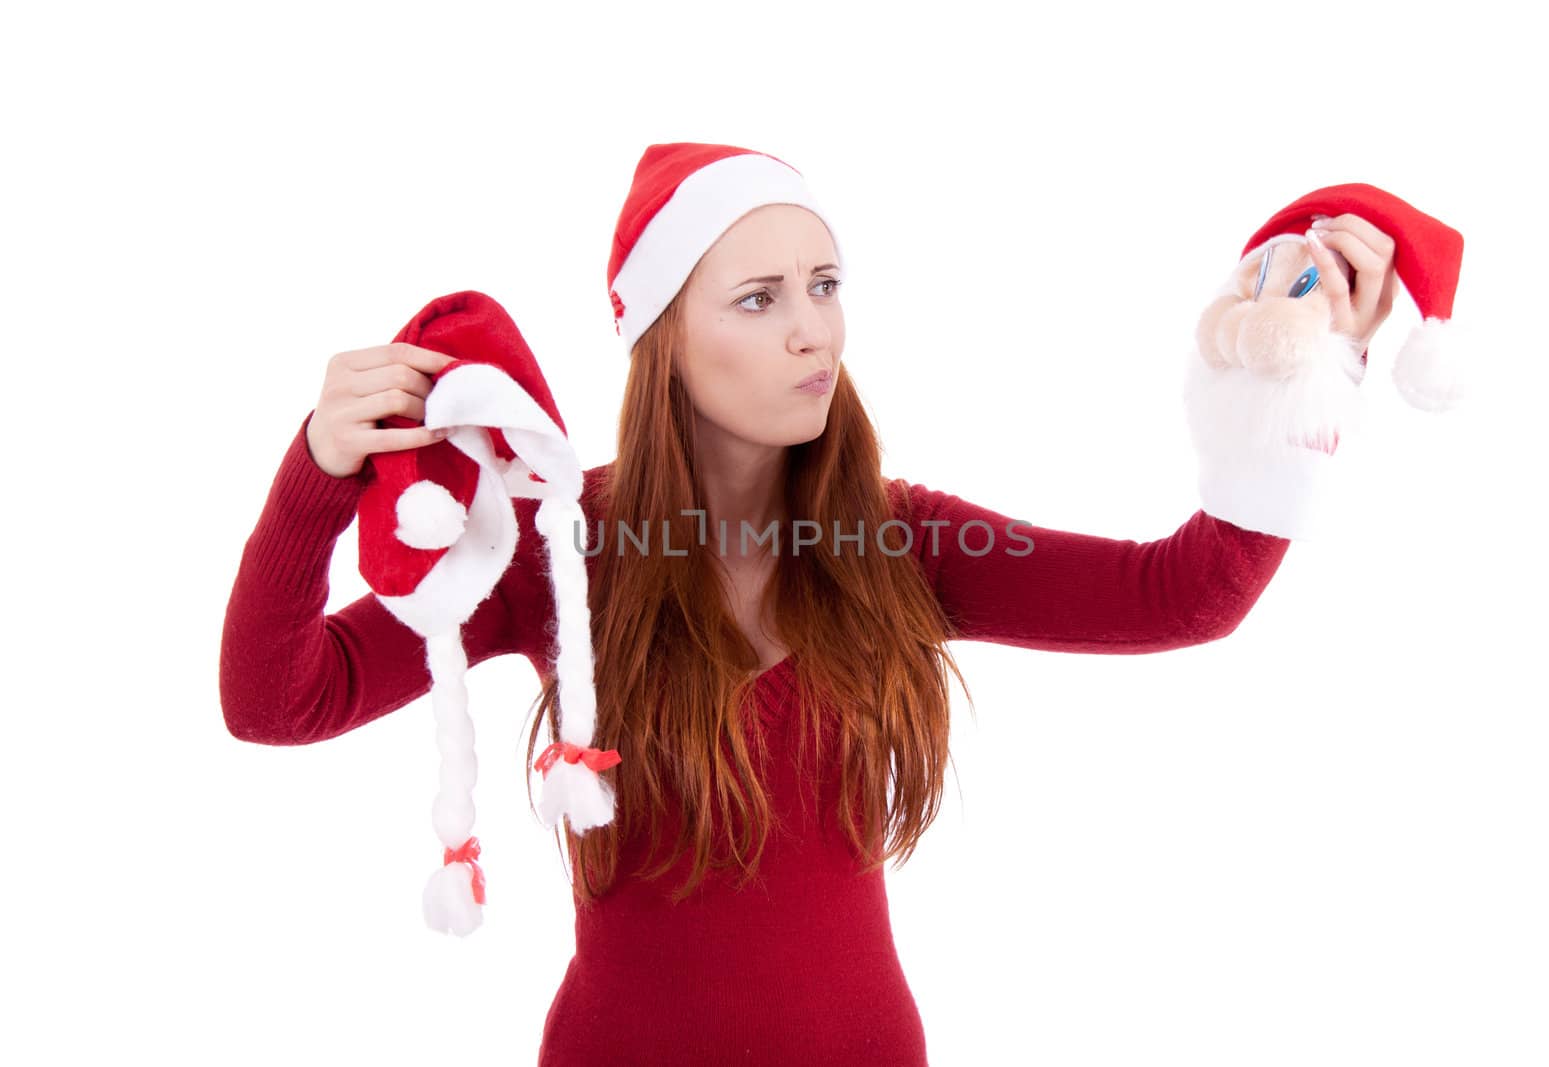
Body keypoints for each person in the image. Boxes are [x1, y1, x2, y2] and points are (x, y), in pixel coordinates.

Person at [219, 142, 1399, 1066]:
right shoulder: (556, 550)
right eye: (759, 298)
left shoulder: (899, 538)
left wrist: (1294, 377)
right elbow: (277, 700)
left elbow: (1184, 593)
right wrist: (319, 472)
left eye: (824, 286)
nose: (811, 330)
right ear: (662, 336)